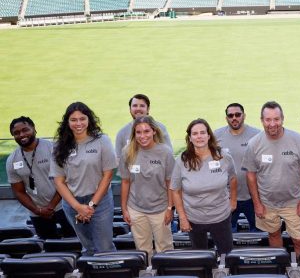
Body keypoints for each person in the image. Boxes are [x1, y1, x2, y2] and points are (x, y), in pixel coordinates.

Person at [243, 101, 300, 256]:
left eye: (276, 119)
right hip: (267, 203)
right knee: (273, 235)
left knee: (298, 240)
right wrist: (257, 204)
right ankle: (280, 267)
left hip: (293, 203)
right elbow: (251, 175)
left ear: (283, 119)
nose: (272, 124)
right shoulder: (254, 144)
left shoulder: (297, 140)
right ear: (262, 120)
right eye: (268, 120)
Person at [51, 102, 116, 255]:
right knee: (88, 247)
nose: (78, 123)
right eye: (73, 120)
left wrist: (91, 205)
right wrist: (78, 207)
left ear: (89, 119)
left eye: (82, 118)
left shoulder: (102, 140)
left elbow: (108, 175)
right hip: (72, 204)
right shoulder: (59, 145)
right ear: (67, 122)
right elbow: (58, 181)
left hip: (100, 202)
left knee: (105, 247)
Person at [170, 119, 237, 255]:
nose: (199, 136)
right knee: (200, 258)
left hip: (221, 216)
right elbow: (175, 190)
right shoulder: (181, 161)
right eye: (195, 134)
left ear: (209, 135)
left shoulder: (223, 157)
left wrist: (233, 201)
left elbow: (233, 178)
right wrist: (182, 218)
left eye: (202, 133)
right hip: (194, 219)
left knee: (227, 255)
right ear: (190, 138)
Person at [6, 116, 75, 239]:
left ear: (34, 129)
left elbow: (68, 180)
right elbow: (19, 192)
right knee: (49, 247)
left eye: (25, 130)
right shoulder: (12, 160)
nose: (22, 135)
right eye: (16, 133)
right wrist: (38, 210)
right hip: (38, 213)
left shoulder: (54, 149)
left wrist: (51, 206)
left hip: (65, 205)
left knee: (75, 241)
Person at [120, 116, 175, 261]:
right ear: (134, 133)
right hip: (136, 209)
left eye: (146, 131)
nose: (142, 136)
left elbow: (171, 183)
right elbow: (125, 182)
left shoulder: (165, 152)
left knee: (164, 248)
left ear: (154, 132)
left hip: (160, 209)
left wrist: (170, 208)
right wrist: (124, 208)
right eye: (138, 132)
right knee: (143, 250)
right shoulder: (127, 152)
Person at [214, 103, 261, 233]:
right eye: (230, 115)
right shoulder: (216, 136)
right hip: (227, 197)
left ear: (244, 116)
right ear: (226, 118)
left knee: (258, 235)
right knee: (228, 236)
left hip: (253, 197)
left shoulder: (257, 135)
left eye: (238, 115)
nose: (234, 118)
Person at [116, 94, 172, 159]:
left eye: (142, 106)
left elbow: (169, 155)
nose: (138, 108)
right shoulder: (122, 133)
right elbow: (119, 160)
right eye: (135, 106)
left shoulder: (161, 128)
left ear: (148, 109)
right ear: (130, 109)